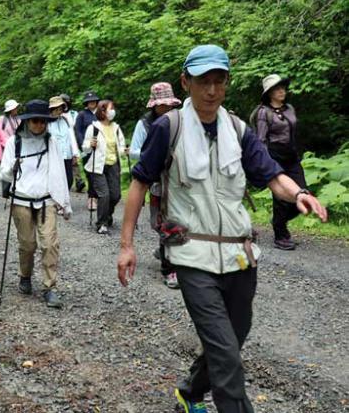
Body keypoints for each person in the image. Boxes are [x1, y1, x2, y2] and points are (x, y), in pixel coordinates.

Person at [117, 45, 327, 413]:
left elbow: (271, 175)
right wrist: (126, 245)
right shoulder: (170, 127)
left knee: (233, 339)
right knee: (227, 355)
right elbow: (139, 184)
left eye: (218, 81)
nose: (211, 90)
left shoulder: (238, 129)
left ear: (227, 83)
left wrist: (300, 194)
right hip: (191, 253)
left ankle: (192, 390)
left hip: (239, 254)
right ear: (187, 82)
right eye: (203, 82)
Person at [0, 100, 72, 309]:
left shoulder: (52, 143)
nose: (39, 125)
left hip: (46, 201)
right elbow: (3, 172)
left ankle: (50, 287)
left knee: (50, 244)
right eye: (35, 121)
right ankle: (25, 276)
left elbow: (59, 173)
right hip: (21, 200)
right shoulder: (15, 143)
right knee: (28, 244)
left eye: (42, 121)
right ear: (27, 122)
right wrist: (14, 166)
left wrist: (64, 203)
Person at [130, 82, 182, 289]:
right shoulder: (144, 124)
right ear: (154, 105)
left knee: (174, 222)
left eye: (169, 105)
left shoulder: (180, 120)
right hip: (157, 181)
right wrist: (152, 154)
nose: (167, 108)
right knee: (158, 222)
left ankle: (170, 268)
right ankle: (166, 251)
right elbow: (134, 151)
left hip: (180, 180)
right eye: (163, 105)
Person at [253, 74, 306, 251]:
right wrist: (266, 163)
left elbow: (293, 131)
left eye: (283, 87)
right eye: (277, 88)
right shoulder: (263, 112)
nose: (282, 91)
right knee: (282, 198)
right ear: (269, 93)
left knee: (302, 193)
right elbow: (261, 140)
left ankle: (278, 221)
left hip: (291, 156)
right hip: (275, 156)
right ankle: (280, 235)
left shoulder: (289, 108)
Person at [81, 99, 126, 234]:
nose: (113, 111)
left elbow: (121, 146)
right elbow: (85, 148)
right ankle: (101, 223)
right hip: (97, 166)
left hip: (113, 165)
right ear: (103, 111)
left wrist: (125, 151)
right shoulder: (93, 128)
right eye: (110, 109)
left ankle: (107, 215)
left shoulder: (116, 128)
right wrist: (90, 145)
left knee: (116, 195)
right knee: (104, 195)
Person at [74, 91, 100, 210]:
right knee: (89, 173)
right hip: (87, 148)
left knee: (99, 172)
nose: (92, 103)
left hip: (100, 148)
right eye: (89, 101)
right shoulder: (82, 115)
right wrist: (81, 145)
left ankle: (98, 196)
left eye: (94, 101)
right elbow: (78, 131)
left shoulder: (101, 113)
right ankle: (91, 197)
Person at [47, 96, 79, 189]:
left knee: (69, 180)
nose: (59, 111)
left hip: (67, 155)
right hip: (54, 157)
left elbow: (71, 137)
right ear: (52, 110)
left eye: (60, 109)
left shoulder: (65, 120)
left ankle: (64, 200)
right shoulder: (47, 123)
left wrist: (75, 153)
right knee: (56, 180)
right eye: (56, 109)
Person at [61, 93, 85, 192]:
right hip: (62, 140)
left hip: (73, 139)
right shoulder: (58, 115)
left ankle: (78, 180)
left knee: (75, 160)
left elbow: (76, 127)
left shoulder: (74, 114)